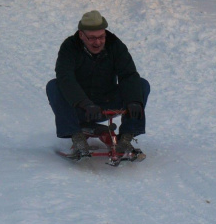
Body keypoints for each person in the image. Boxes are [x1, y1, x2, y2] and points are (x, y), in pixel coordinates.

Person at [46, 10, 150, 160]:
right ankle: (78, 138)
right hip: (80, 106)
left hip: (106, 102)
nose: (98, 42)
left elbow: (128, 75)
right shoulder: (69, 47)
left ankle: (125, 139)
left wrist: (134, 100)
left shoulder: (115, 45)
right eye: (92, 38)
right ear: (81, 35)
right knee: (54, 86)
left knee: (141, 85)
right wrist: (84, 103)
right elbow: (65, 77)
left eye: (101, 37)